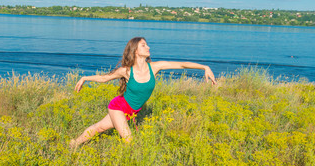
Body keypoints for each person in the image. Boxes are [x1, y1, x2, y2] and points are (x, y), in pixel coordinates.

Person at [70, 37, 216, 147]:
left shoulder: (155, 67)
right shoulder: (126, 71)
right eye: (144, 45)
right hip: (118, 107)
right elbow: (104, 78)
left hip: (132, 111)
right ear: (135, 51)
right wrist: (84, 78)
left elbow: (181, 64)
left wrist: (204, 67)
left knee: (99, 127)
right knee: (129, 140)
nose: (148, 47)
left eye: (147, 44)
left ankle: (74, 144)